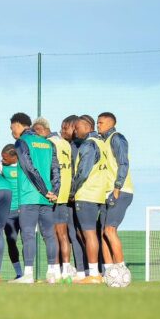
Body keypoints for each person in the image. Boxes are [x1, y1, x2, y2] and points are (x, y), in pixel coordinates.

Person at [9, 112, 60, 284]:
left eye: (12, 128)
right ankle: (53, 272)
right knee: (49, 236)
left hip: (30, 196)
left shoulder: (22, 142)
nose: (11, 132)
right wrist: (55, 192)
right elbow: (56, 170)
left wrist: (43, 190)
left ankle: (28, 274)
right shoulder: (48, 143)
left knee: (28, 234)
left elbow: (28, 168)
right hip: (47, 198)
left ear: (19, 125)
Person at [69, 115, 110, 284]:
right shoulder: (102, 143)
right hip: (99, 193)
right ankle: (95, 272)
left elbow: (83, 172)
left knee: (89, 233)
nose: (75, 131)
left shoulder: (88, 144)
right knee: (88, 232)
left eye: (77, 128)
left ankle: (94, 274)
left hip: (87, 194)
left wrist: (72, 191)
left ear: (86, 128)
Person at [34, 117, 74, 281]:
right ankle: (66, 270)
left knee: (50, 234)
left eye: (35, 132)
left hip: (51, 194)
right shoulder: (65, 143)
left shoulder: (47, 144)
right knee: (62, 234)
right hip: (64, 193)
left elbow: (48, 170)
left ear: (41, 130)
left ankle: (55, 272)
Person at [97, 112, 134, 272]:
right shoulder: (101, 141)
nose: (98, 125)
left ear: (112, 124)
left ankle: (121, 269)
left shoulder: (117, 138)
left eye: (101, 123)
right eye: (97, 123)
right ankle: (109, 271)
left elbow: (123, 163)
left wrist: (117, 187)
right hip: (105, 193)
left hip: (120, 191)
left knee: (109, 230)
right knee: (103, 233)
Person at [60, 115, 87, 280]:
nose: (63, 131)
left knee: (82, 233)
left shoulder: (78, 147)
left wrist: (72, 191)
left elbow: (78, 173)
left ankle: (89, 270)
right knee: (73, 233)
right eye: (62, 127)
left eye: (66, 128)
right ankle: (82, 271)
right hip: (70, 196)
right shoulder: (68, 145)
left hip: (79, 196)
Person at [0, 144, 23, 279]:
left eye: (5, 158)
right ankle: (19, 273)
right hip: (8, 211)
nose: (2, 160)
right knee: (11, 240)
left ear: (14, 157)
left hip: (24, 210)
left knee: (27, 241)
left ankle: (29, 272)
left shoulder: (24, 165)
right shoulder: (1, 167)